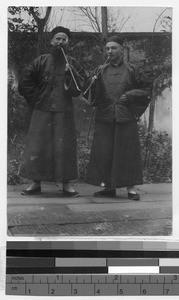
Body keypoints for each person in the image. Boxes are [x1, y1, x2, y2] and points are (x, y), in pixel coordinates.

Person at [18, 26, 86, 197]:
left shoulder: (73, 63)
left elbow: (80, 88)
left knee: (65, 147)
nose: (60, 42)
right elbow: (25, 82)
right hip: (42, 110)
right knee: (38, 146)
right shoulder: (40, 61)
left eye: (64, 39)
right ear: (51, 41)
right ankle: (35, 183)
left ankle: (66, 184)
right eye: (58, 39)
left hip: (64, 112)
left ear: (68, 42)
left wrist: (70, 75)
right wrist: (37, 99)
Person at [85, 36, 152, 200]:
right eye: (107, 48)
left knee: (128, 152)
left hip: (125, 117)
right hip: (105, 116)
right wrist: (92, 83)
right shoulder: (100, 70)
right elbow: (91, 95)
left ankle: (131, 189)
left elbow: (147, 90)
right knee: (105, 152)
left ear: (122, 49)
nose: (110, 51)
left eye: (113, 48)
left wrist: (130, 95)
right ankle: (108, 187)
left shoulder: (133, 69)